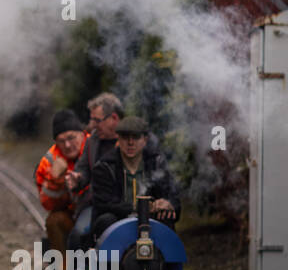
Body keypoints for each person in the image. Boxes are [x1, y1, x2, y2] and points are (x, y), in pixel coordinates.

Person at [89, 115, 180, 241]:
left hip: (150, 219)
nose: (130, 143)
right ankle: (108, 260)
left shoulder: (156, 162)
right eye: (125, 137)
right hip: (117, 220)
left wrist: (168, 204)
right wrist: (141, 207)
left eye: (136, 137)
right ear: (118, 139)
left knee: (166, 217)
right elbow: (104, 204)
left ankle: (169, 260)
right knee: (106, 220)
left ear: (145, 140)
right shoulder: (104, 166)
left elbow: (172, 194)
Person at [63, 92, 123, 247]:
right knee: (78, 234)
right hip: (97, 204)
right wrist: (77, 178)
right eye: (92, 120)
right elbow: (83, 169)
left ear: (114, 118)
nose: (93, 125)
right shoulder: (93, 141)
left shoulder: (130, 141)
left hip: (123, 203)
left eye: (97, 120)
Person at [34, 109, 87, 254]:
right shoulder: (49, 161)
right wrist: (55, 179)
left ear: (81, 134)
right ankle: (63, 269)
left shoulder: (94, 146)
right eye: (62, 141)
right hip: (72, 216)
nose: (68, 145)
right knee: (54, 220)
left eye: (71, 138)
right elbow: (47, 204)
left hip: (95, 213)